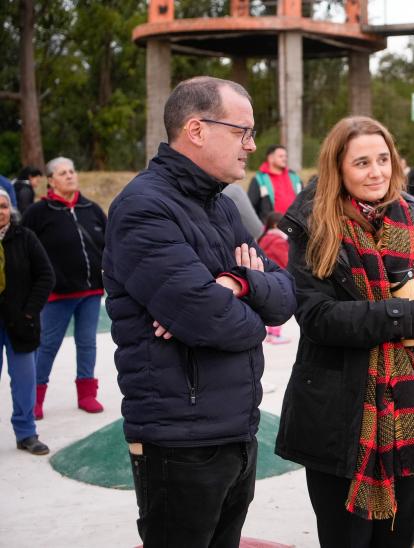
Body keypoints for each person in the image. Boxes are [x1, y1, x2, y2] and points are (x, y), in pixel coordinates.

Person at [103, 76, 296, 547]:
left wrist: (234, 282)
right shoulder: (143, 208)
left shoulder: (221, 207)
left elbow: (287, 296)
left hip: (235, 427)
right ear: (196, 129)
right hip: (180, 441)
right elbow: (219, 323)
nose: (251, 146)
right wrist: (247, 299)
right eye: (241, 132)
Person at [275, 116, 414, 548]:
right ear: (337, 168)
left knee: (398, 539)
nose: (376, 172)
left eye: (383, 159)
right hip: (340, 417)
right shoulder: (313, 226)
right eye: (361, 163)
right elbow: (317, 316)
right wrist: (405, 316)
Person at [22, 156, 107, 418]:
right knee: (47, 345)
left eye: (72, 171)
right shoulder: (38, 213)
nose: (70, 176)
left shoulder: (91, 209)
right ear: (51, 180)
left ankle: (87, 394)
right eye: (63, 173)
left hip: (91, 291)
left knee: (87, 343)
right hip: (57, 294)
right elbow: (24, 249)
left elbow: (108, 245)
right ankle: (33, 399)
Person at [0, 189, 54, 455]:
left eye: (3, 206)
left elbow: (46, 276)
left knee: (23, 380)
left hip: (21, 324)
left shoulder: (25, 238)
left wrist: (30, 311)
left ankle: (26, 433)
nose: (0, 211)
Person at [258, 212, 291, 345]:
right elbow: (285, 259)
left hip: (264, 277)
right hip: (277, 278)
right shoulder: (278, 241)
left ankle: (270, 333)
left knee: (268, 304)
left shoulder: (264, 238)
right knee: (279, 305)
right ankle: (275, 335)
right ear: (276, 225)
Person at [247, 144, 302, 221]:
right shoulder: (259, 179)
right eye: (281, 156)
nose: (284, 159)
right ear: (270, 158)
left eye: (286, 156)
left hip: (293, 227)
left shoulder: (295, 177)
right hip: (270, 228)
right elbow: (250, 207)